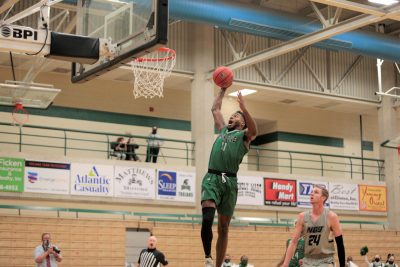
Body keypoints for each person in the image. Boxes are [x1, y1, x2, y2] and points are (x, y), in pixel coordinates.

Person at [201, 88, 257, 267]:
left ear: (243, 123)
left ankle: (217, 265)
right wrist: (223, 89)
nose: (233, 117)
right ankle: (207, 257)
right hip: (212, 177)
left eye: (237, 116)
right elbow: (215, 109)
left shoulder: (244, 137)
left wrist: (244, 109)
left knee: (223, 228)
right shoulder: (223, 130)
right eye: (232, 115)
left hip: (230, 182)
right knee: (208, 218)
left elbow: (254, 130)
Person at [281, 185, 346, 267]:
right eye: (311, 192)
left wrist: (342, 265)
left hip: (326, 260)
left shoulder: (331, 216)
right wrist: (285, 264)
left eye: (316, 192)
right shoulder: (302, 217)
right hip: (308, 260)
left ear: (323, 198)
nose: (312, 194)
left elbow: (340, 244)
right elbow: (293, 242)